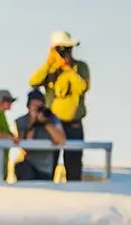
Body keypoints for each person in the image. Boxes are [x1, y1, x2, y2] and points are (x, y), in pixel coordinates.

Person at [29, 31, 91, 182]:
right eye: (62, 49)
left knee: (74, 165)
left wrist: (69, 69)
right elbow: (33, 82)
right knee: (48, 165)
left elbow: (83, 87)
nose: (66, 53)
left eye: (68, 49)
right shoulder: (50, 69)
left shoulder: (80, 67)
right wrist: (49, 62)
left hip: (74, 124)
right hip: (53, 124)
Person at [14, 89, 68, 181]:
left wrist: (46, 123)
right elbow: (27, 147)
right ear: (28, 106)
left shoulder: (52, 119)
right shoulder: (21, 121)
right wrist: (33, 123)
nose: (37, 109)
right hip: (28, 163)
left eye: (40, 106)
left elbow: (61, 140)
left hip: (45, 167)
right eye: (34, 106)